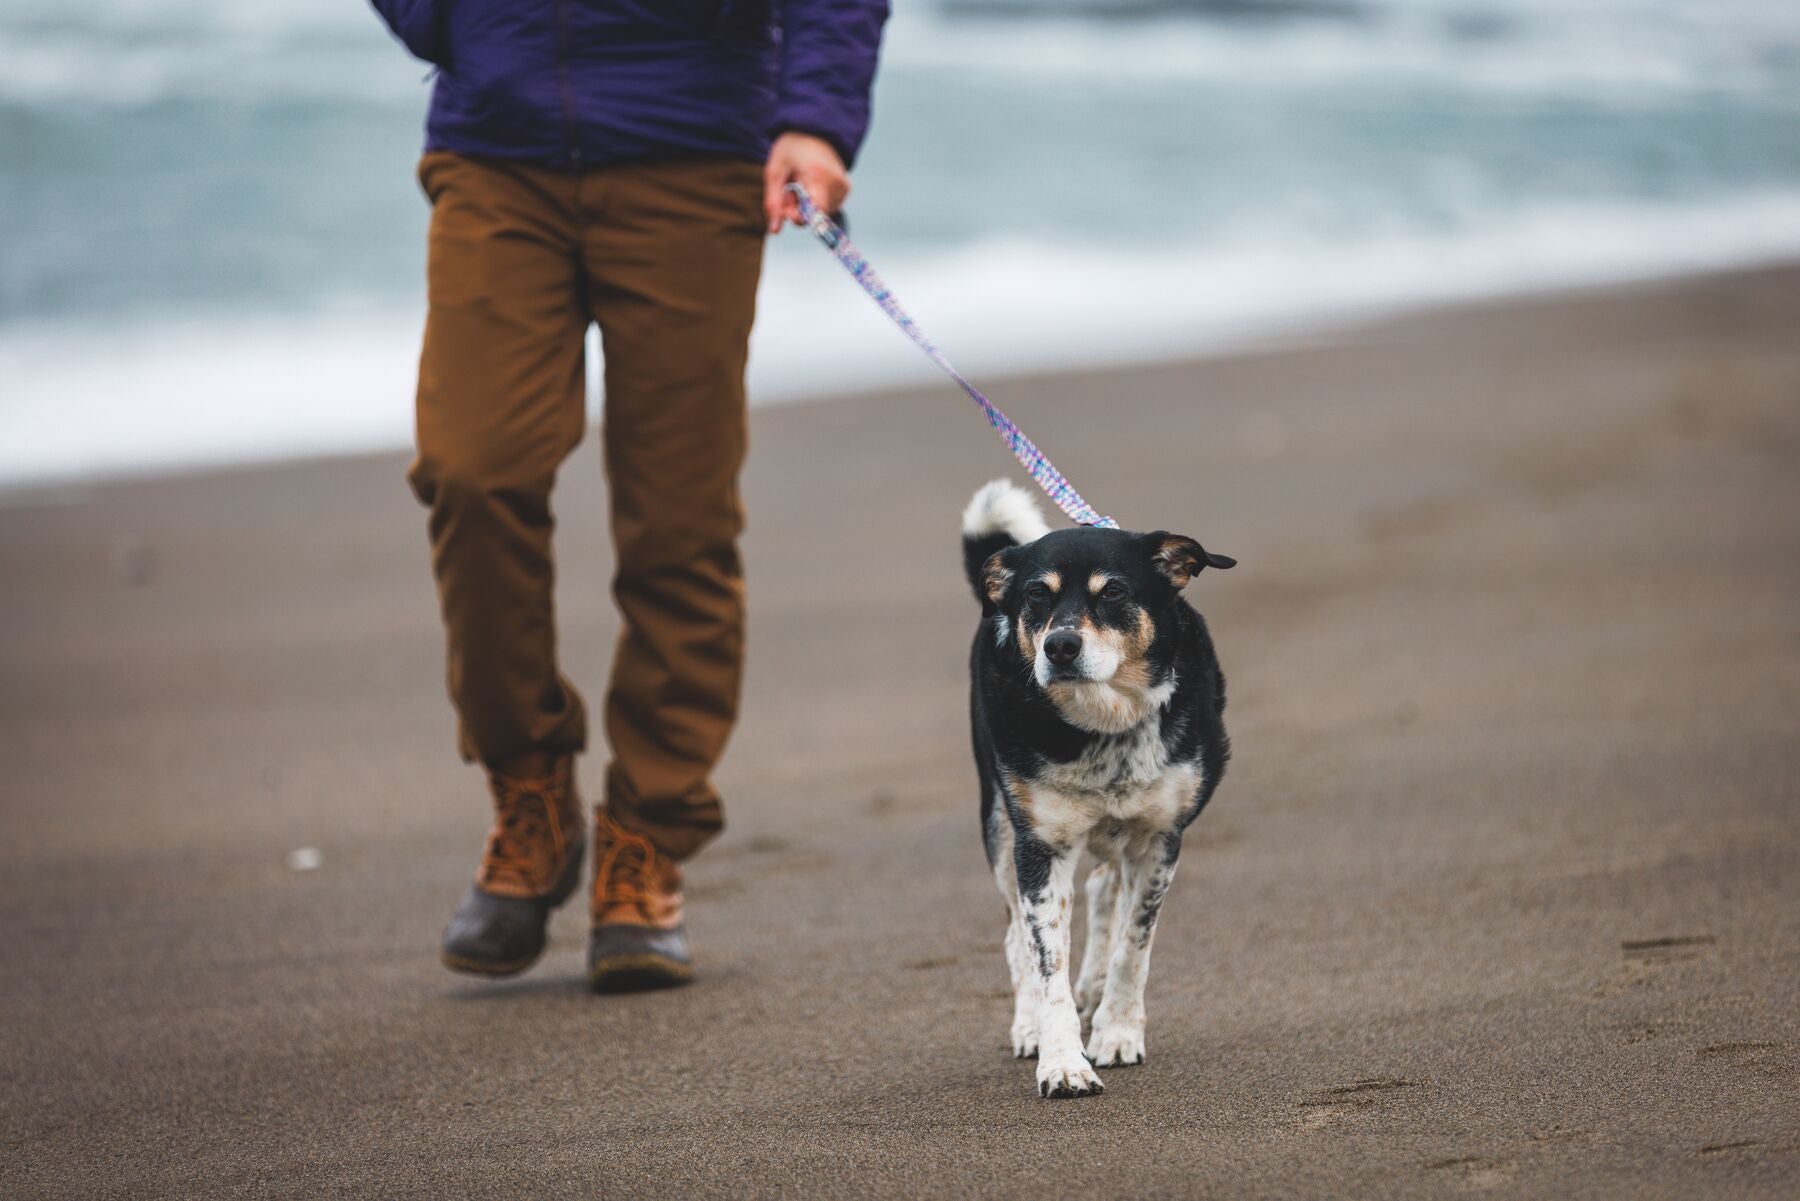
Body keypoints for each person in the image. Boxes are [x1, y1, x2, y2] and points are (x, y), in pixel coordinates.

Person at [369, 0, 888, 990]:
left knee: (679, 520)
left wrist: (816, 120)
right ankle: (529, 791)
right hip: (498, 151)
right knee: (472, 470)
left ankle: (647, 833)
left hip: (694, 153)